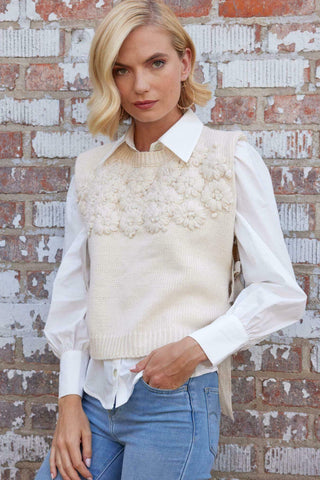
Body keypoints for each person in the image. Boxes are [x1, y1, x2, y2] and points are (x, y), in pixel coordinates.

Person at [35, 1, 307, 479]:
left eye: (155, 63)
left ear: (185, 62)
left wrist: (196, 349)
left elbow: (280, 293)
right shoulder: (91, 171)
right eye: (122, 70)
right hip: (95, 400)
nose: (139, 85)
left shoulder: (230, 159)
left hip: (176, 401)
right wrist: (68, 401)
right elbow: (74, 293)